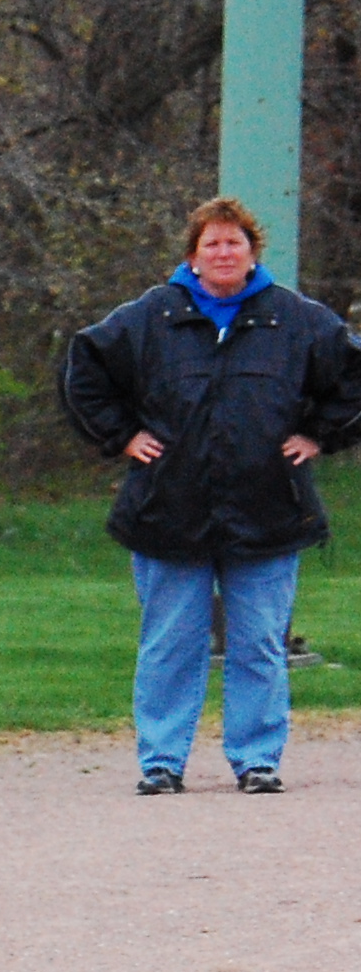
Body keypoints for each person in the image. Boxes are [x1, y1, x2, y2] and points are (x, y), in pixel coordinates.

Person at [60, 196, 361, 795]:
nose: (224, 253)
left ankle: (257, 759)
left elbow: (353, 379)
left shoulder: (296, 319)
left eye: (234, 242)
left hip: (267, 507)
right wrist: (122, 436)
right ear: (193, 256)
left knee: (259, 644)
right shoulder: (149, 317)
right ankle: (161, 761)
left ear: (252, 252)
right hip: (169, 507)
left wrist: (319, 435)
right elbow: (84, 367)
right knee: (171, 643)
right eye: (212, 244)